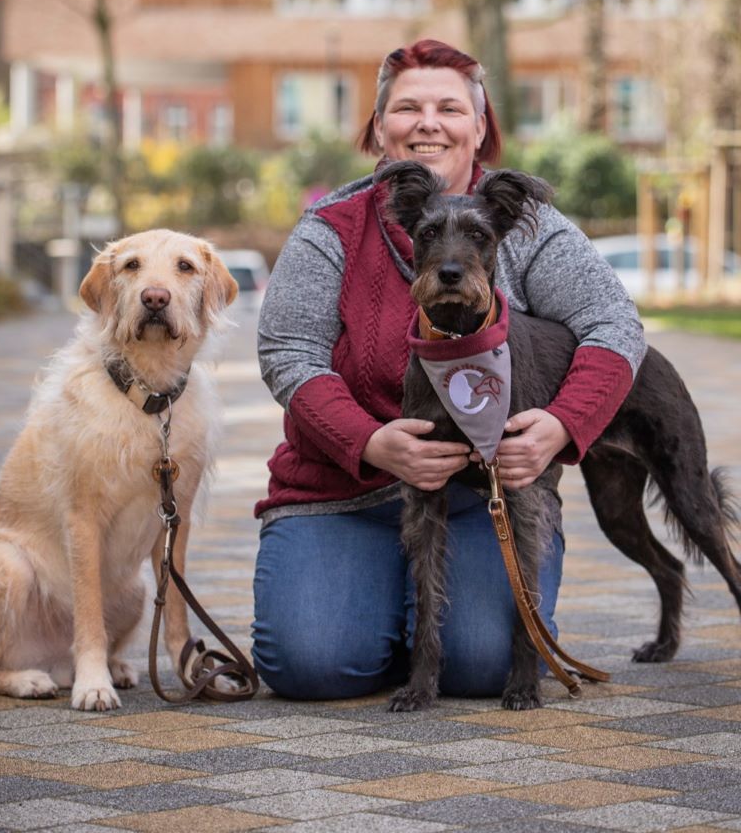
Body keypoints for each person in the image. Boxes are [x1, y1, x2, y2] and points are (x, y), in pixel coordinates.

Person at [252, 38, 646, 700]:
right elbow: (288, 353)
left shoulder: (524, 224)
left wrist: (560, 425)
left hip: (478, 501)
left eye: (449, 107)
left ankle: (416, 617)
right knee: (313, 665)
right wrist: (370, 440)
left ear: (480, 127)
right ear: (380, 129)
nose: (429, 121)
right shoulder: (331, 226)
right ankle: (382, 605)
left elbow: (616, 326)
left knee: (484, 669)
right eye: (408, 107)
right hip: (341, 496)